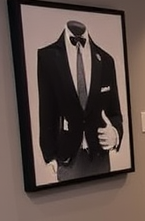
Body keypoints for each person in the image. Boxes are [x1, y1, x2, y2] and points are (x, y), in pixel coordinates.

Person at [36, 18, 124, 182]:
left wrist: (115, 134)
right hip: (67, 157)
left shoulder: (105, 60)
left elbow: (115, 113)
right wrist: (49, 155)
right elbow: (46, 111)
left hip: (99, 156)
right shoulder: (47, 58)